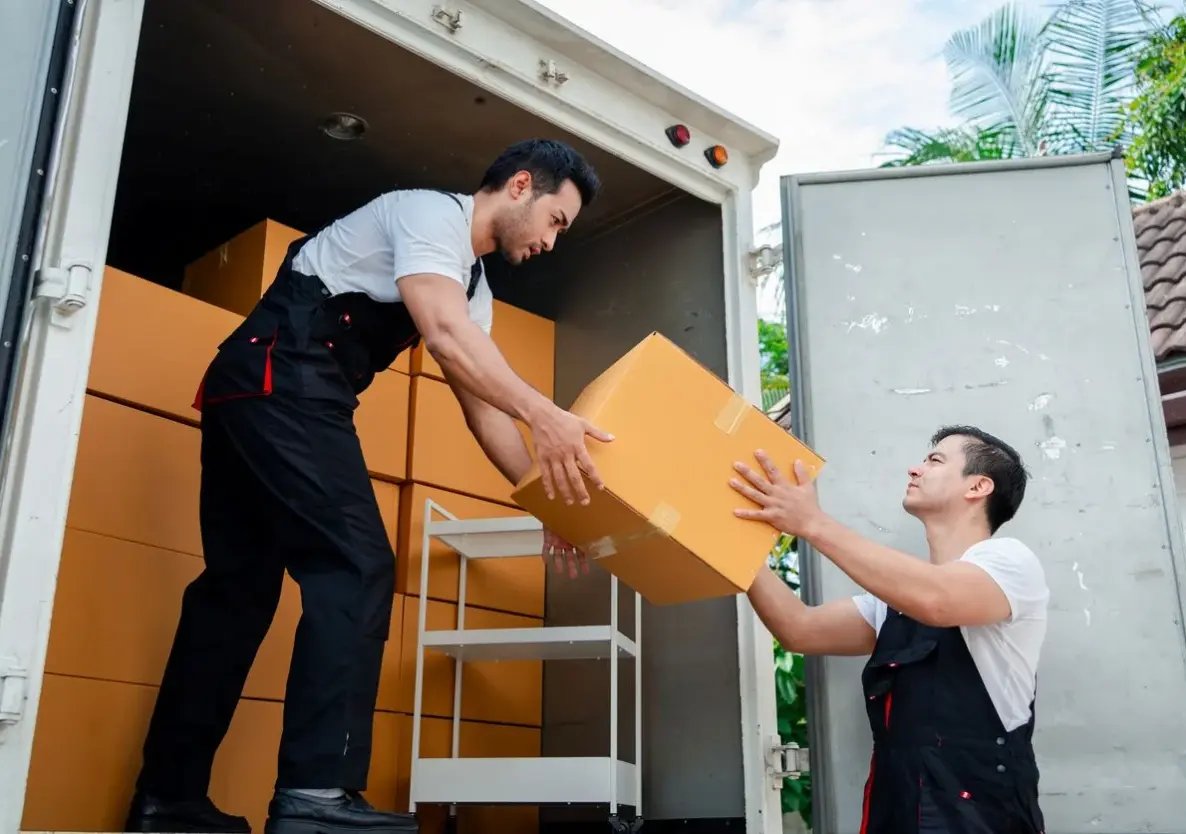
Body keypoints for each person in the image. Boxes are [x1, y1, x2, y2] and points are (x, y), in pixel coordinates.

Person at [125, 139, 610, 834]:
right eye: (556, 221)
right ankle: (317, 798)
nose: (551, 242)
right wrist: (549, 415)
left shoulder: (473, 290)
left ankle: (167, 802)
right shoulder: (425, 217)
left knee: (235, 597)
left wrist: (546, 503)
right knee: (355, 567)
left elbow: (482, 411)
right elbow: (441, 335)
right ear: (520, 186)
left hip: (256, 394)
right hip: (282, 384)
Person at [731, 426, 1049, 834]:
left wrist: (812, 523)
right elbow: (799, 629)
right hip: (896, 809)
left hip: (980, 818)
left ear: (978, 486)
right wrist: (731, 542)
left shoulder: (1010, 562)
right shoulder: (894, 603)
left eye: (934, 461)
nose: (914, 469)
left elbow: (938, 600)